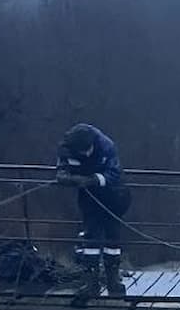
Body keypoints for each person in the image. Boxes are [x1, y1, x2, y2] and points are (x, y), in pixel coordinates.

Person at [55, 124, 131, 297]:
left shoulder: (106, 146)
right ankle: (91, 283)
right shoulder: (66, 149)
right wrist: (66, 178)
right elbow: (62, 169)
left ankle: (113, 281)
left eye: (88, 150)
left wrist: (94, 180)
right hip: (88, 198)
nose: (86, 154)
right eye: (82, 152)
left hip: (113, 196)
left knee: (112, 237)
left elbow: (114, 173)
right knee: (90, 238)